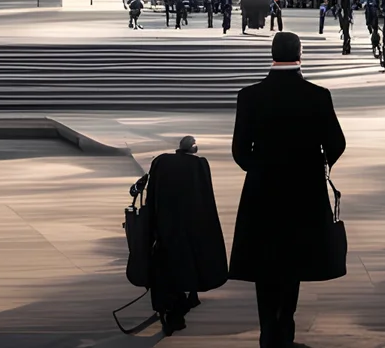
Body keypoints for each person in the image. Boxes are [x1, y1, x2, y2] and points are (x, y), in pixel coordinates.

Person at [229, 32, 346, 348]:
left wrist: (260, 168)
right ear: (300, 55)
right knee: (292, 260)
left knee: (265, 261)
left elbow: (239, 150)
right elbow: (337, 143)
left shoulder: (249, 95)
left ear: (272, 54)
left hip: (262, 189)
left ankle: (268, 330)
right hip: (303, 189)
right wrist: (318, 164)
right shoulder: (317, 95)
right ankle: (286, 326)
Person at [144, 135, 228, 334]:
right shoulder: (198, 166)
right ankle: (178, 305)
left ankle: (172, 306)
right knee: (181, 260)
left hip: (165, 225)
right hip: (187, 225)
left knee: (166, 261)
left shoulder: (162, 163)